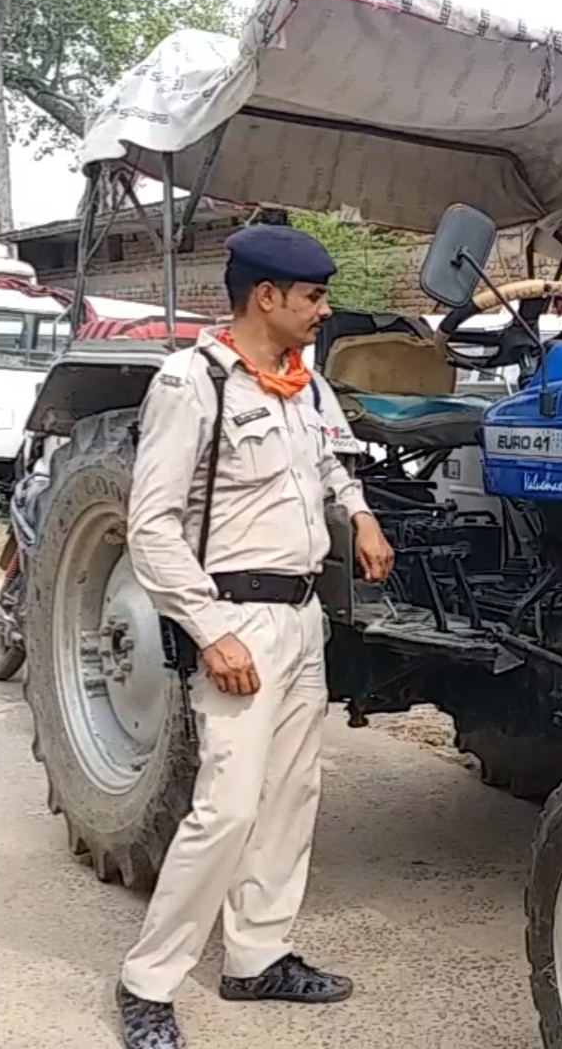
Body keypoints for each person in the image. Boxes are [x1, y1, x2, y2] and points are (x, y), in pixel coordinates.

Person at [116, 226, 395, 1049]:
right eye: (313, 297)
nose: (325, 309)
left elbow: (335, 462)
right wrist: (209, 631)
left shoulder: (303, 384)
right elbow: (151, 527)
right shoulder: (193, 382)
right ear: (266, 298)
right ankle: (147, 981)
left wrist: (362, 515)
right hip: (235, 620)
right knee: (227, 809)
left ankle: (256, 955)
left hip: (303, 616)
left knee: (290, 799)